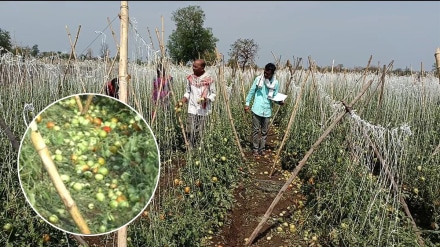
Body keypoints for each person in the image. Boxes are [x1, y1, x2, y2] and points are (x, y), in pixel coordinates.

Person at [244, 63, 284, 157]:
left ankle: (262, 149)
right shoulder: (258, 79)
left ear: (272, 74)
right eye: (265, 72)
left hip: (267, 110)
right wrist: (247, 103)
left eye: (268, 74)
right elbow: (251, 91)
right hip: (257, 108)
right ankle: (255, 149)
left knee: (264, 132)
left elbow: (274, 96)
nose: (265, 75)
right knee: (255, 130)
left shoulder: (275, 83)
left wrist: (280, 102)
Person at [177, 59, 216, 148]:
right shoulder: (190, 78)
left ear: (202, 68)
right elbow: (188, 92)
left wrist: (207, 99)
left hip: (204, 110)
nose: (193, 68)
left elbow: (213, 94)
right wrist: (183, 100)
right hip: (192, 108)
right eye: (193, 66)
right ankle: (191, 148)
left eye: (195, 66)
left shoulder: (209, 79)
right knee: (190, 130)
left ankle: (200, 149)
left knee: (202, 131)